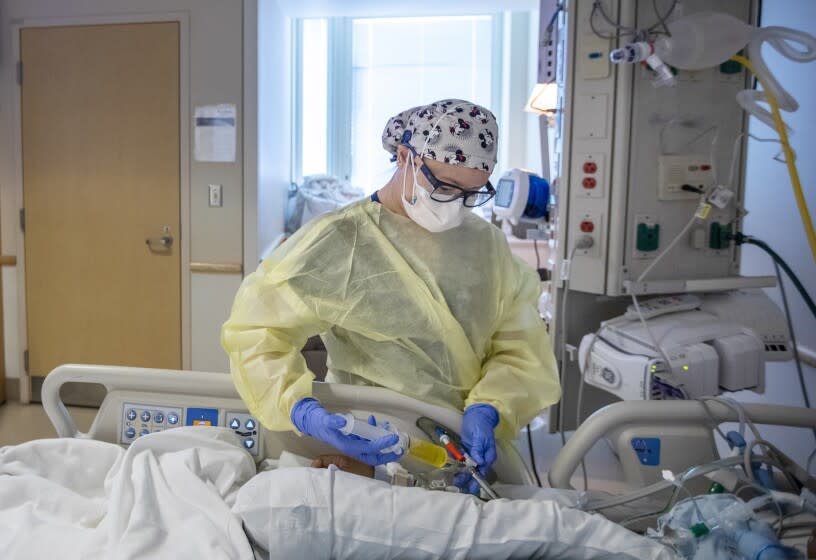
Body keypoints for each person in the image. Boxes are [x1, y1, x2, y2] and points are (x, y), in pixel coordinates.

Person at [222, 98, 560, 493]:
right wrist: (301, 409)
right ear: (405, 156)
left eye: (471, 193)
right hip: (373, 445)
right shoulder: (340, 241)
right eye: (445, 186)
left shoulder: (485, 245)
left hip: (466, 447)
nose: (456, 205)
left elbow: (519, 346)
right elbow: (256, 333)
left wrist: (490, 407)